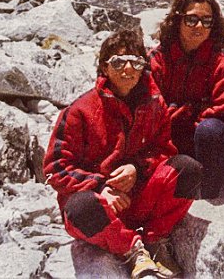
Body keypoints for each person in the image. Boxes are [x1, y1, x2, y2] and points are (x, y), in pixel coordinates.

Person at [44, 27, 203, 279]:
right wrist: (100, 187)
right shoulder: (79, 111)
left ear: (143, 67)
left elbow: (164, 150)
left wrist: (136, 169)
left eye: (135, 62)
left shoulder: (154, 103)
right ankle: (132, 249)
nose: (127, 69)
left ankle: (155, 239)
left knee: (188, 169)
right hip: (103, 205)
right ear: (104, 68)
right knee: (80, 207)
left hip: (138, 197)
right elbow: (55, 168)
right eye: (118, 62)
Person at [149, 0, 224, 198]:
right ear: (177, 21)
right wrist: (190, 110)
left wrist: (180, 113)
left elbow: (223, 109)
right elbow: (152, 109)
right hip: (168, 137)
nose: (199, 26)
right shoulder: (158, 58)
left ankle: (209, 193)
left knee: (211, 129)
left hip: (205, 138)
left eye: (207, 21)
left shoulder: (220, 60)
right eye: (191, 20)